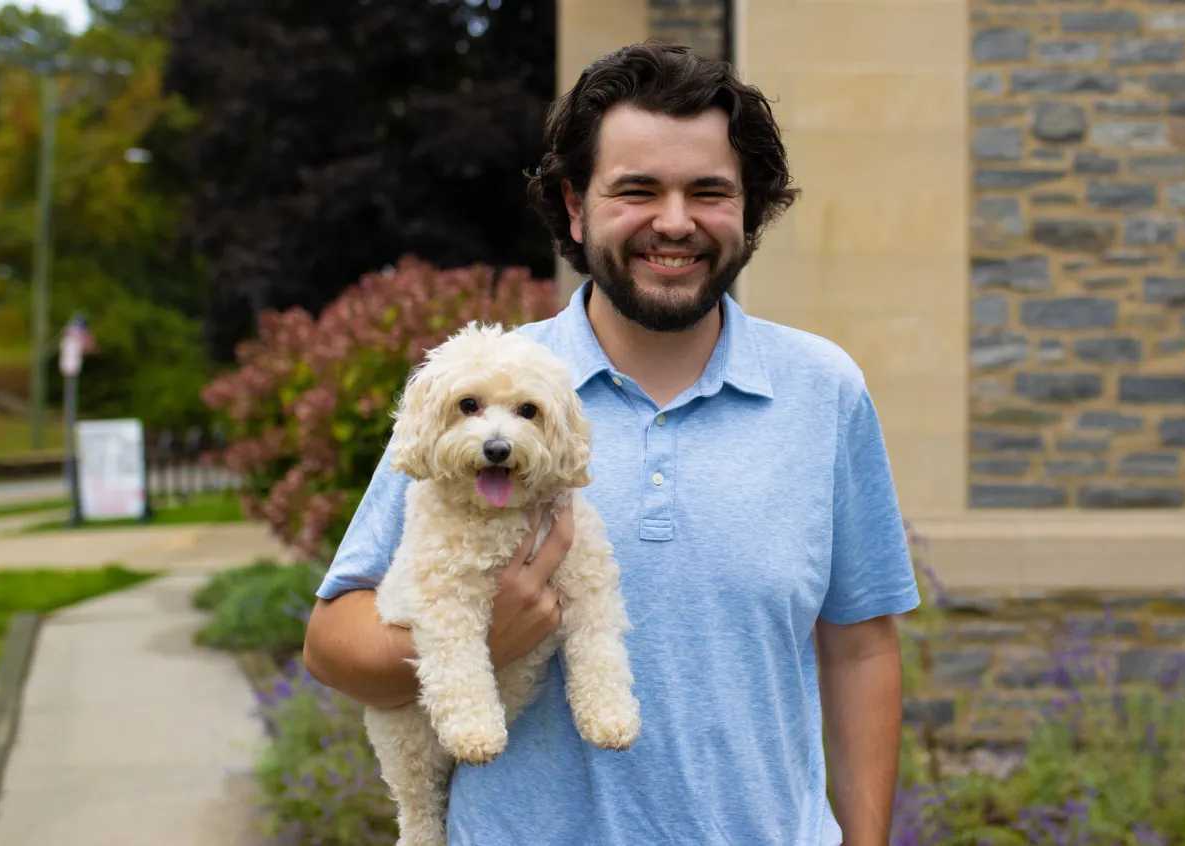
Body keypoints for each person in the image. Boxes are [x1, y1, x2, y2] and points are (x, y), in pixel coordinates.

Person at [302, 41, 921, 846]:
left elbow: (860, 646)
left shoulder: (823, 390)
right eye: (637, 190)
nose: (674, 221)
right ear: (574, 206)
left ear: (750, 207)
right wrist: (483, 640)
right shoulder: (484, 391)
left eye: (708, 191)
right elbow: (330, 646)